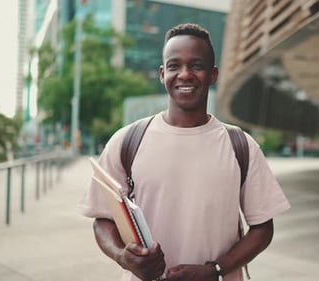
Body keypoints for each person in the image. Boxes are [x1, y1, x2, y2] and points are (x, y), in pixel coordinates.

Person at [79, 23, 290, 281]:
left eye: (197, 66)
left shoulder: (241, 145)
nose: (185, 74)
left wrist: (215, 270)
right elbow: (102, 219)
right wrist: (123, 256)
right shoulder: (127, 141)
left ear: (213, 75)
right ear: (161, 73)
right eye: (174, 66)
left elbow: (262, 228)